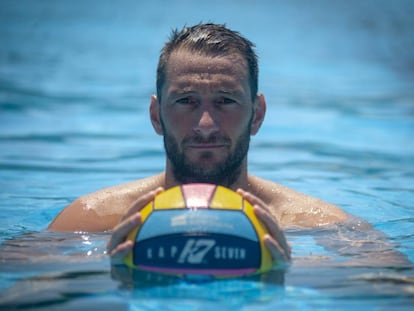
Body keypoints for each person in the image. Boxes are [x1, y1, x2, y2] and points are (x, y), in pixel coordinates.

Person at [48, 23, 349, 266]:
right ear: (156, 116)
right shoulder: (89, 220)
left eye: (225, 101)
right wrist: (108, 269)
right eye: (186, 101)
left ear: (257, 115)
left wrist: (283, 273)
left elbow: (390, 291)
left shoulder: (319, 225)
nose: (206, 125)